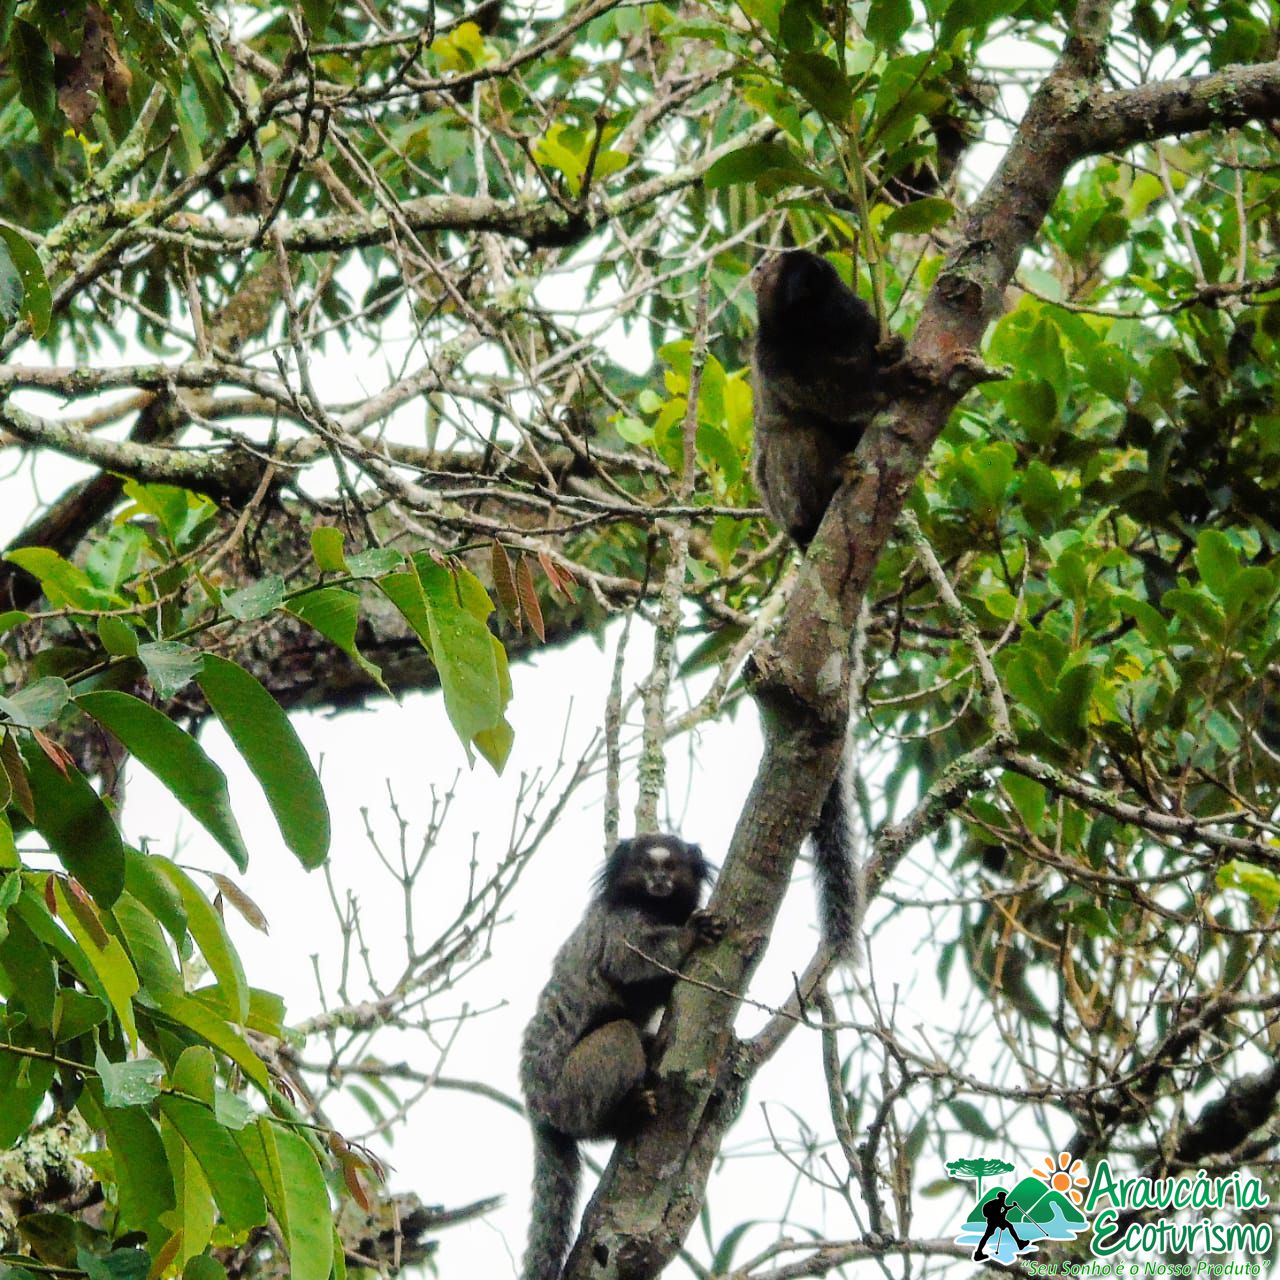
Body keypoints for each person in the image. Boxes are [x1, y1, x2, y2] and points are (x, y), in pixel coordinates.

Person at [972, 1190, 1028, 1261]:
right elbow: (999, 1214)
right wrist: (1004, 1213)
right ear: (1001, 1197)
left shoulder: (999, 1202)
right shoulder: (997, 1203)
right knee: (989, 1235)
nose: (1004, 1198)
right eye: (1004, 1197)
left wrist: (1013, 1206)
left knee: (987, 1236)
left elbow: (1005, 1208)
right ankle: (1019, 1243)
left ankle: (978, 1253)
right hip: (994, 1220)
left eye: (1004, 1197)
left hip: (994, 1220)